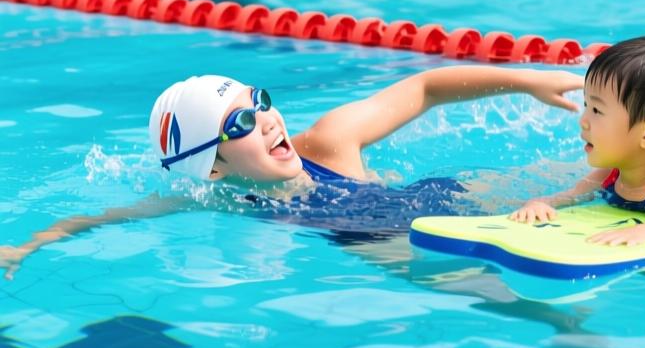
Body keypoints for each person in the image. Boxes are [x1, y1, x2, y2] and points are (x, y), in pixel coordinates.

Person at [0, 65, 583, 278]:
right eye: (237, 126)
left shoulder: (329, 143)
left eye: (259, 101)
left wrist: (526, 78)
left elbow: (425, 87)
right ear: (214, 170)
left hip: (436, 196)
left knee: (581, 184)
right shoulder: (213, 200)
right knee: (489, 289)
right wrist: (26, 247)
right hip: (378, 239)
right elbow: (107, 217)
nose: (265, 121)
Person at [511, 35, 645, 245]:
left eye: (596, 110)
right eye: (586, 106)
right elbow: (566, 197)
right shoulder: (609, 175)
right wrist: (537, 205)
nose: (583, 121)